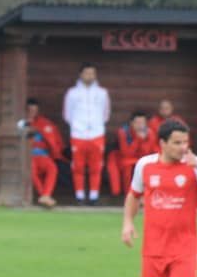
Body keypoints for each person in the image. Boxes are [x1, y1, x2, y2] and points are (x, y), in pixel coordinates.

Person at [121, 119, 197, 277]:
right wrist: (128, 223)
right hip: (153, 249)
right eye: (177, 142)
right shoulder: (145, 166)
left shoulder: (193, 169)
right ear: (162, 143)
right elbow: (134, 195)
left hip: (184, 247)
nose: (182, 147)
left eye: (185, 142)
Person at [63, 62, 110, 205]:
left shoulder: (102, 93)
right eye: (87, 73)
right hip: (78, 134)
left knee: (96, 165)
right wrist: (78, 126)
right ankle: (79, 195)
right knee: (78, 166)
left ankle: (94, 195)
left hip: (97, 133)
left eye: (92, 73)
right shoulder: (72, 93)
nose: (89, 76)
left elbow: (105, 113)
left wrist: (96, 125)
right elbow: (67, 114)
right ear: (81, 74)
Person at [22, 98, 64, 208]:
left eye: (35, 110)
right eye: (30, 110)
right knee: (31, 170)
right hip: (30, 156)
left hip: (43, 156)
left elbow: (55, 141)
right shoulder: (22, 123)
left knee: (52, 168)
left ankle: (45, 195)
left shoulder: (44, 123)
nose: (32, 113)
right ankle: (44, 196)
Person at [106, 111, 157, 197]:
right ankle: (129, 194)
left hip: (141, 159)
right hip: (122, 159)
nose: (140, 125)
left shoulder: (150, 133)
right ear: (131, 123)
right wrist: (138, 139)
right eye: (137, 122)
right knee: (128, 167)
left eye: (142, 122)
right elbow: (126, 153)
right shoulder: (124, 132)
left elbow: (147, 152)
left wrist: (143, 139)